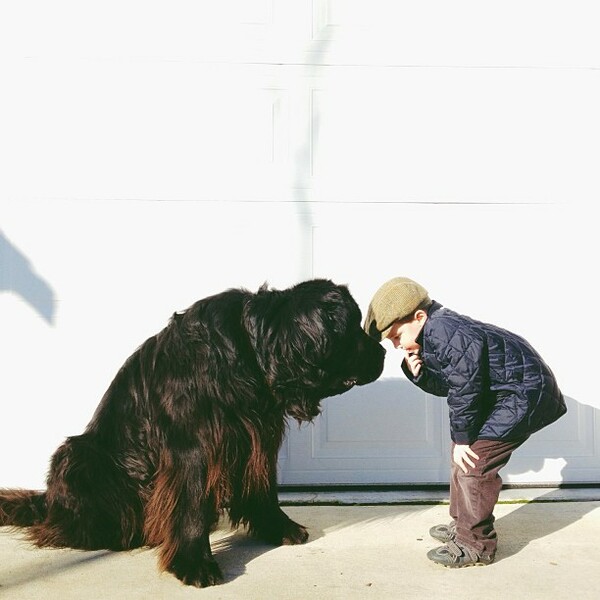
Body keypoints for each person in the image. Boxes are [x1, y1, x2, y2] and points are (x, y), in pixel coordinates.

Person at [364, 277, 567, 568]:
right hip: (509, 393)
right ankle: (463, 527)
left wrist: (462, 439)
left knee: (474, 462)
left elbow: (466, 390)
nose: (396, 345)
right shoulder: (435, 331)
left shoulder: (445, 331)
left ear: (419, 317)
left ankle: (475, 546)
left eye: (396, 336)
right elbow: (451, 384)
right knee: (464, 457)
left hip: (524, 394)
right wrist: (419, 373)